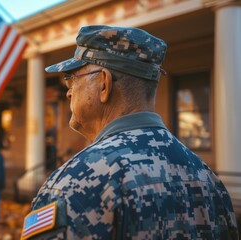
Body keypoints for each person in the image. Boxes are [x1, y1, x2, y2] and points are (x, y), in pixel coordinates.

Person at [21, 25, 238, 239]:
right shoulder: (207, 178)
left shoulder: (75, 181)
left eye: (72, 78)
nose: (68, 92)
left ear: (104, 84)